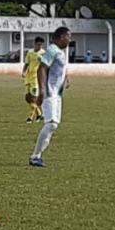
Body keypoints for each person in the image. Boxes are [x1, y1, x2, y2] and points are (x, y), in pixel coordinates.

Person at [29, 27, 71, 168]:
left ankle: (38, 156)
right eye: (68, 37)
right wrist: (42, 90)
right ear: (60, 37)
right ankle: (35, 156)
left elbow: (59, 68)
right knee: (51, 124)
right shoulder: (52, 50)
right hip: (50, 92)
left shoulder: (59, 52)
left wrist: (66, 77)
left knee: (54, 125)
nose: (69, 40)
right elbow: (42, 68)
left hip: (57, 94)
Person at [21, 36, 46, 124]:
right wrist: (24, 72)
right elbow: (26, 64)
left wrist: (42, 60)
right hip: (29, 77)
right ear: (34, 44)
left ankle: (31, 117)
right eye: (38, 44)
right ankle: (39, 114)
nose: (40, 46)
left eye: (41, 45)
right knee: (28, 98)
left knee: (33, 98)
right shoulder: (30, 52)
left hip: (37, 78)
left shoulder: (43, 53)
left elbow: (47, 65)